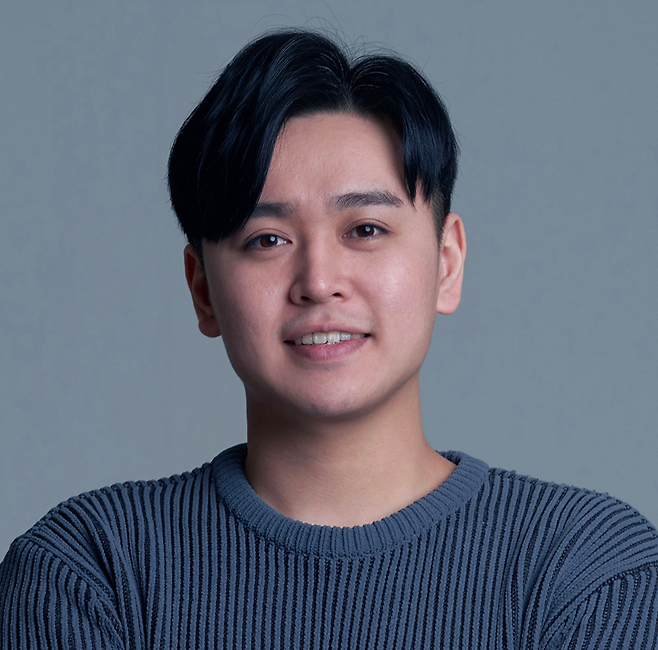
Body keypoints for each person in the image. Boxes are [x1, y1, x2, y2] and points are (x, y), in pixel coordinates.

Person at [1, 27, 657, 649]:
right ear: (202, 290)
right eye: (267, 240)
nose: (318, 282)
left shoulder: (589, 571)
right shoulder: (90, 571)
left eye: (365, 230)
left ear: (447, 263)